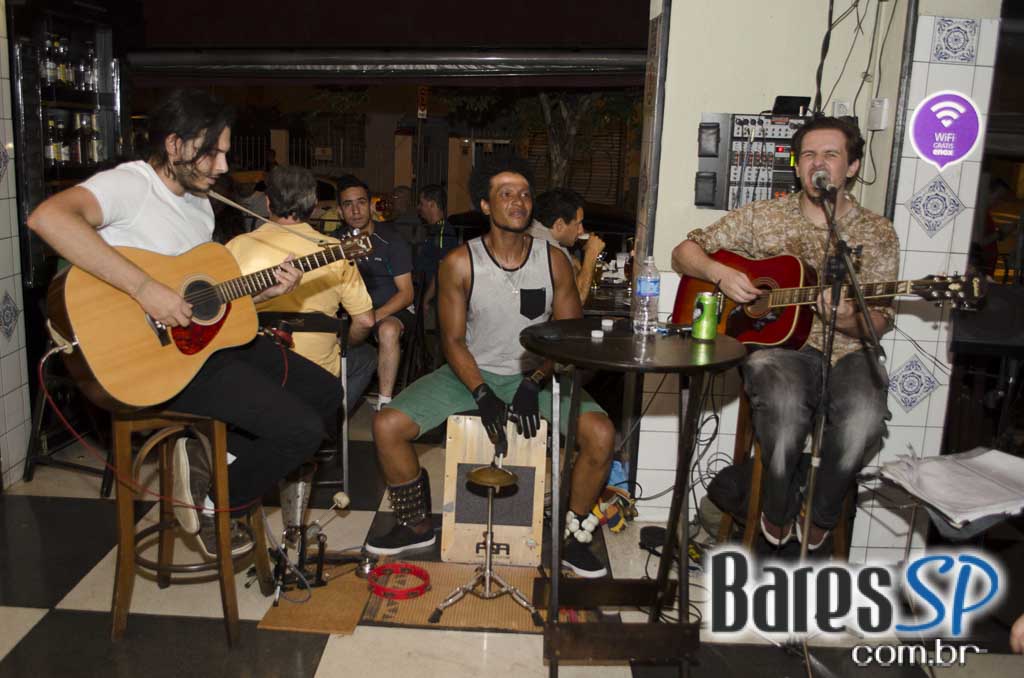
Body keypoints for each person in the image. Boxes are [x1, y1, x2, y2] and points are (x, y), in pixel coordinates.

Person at [27, 89, 342, 558]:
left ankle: (216, 462)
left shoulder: (199, 204)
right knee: (300, 430)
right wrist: (144, 289)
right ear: (174, 145)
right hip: (148, 362)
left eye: (225, 153)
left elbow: (202, 299)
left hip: (200, 348)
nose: (222, 166)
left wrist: (264, 293)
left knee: (326, 393)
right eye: (211, 152)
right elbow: (47, 218)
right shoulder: (131, 185)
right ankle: (218, 504)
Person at [366, 157, 616, 578]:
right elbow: (452, 341)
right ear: (485, 204)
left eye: (524, 194)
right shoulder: (460, 262)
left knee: (602, 434)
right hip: (470, 371)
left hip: (537, 375)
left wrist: (535, 380)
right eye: (505, 193)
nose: (518, 202)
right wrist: (481, 392)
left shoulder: (553, 260)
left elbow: (568, 335)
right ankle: (416, 525)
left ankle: (571, 534)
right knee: (386, 425)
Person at [671, 115, 898, 550]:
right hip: (780, 351)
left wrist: (842, 318)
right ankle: (776, 509)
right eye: (808, 154)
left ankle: (820, 512)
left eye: (830, 154)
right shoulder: (763, 216)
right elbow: (684, 253)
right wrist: (720, 274)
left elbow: (879, 321)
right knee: (784, 403)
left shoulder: (876, 232)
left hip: (849, 351)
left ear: (851, 167)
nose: (818, 163)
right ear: (797, 166)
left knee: (865, 418)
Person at [226, 165, 378, 412]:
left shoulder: (236, 247)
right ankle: (329, 420)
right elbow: (365, 321)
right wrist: (343, 344)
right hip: (318, 372)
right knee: (367, 357)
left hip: (254, 370)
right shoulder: (334, 251)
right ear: (314, 203)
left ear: (268, 203)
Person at [338, 174, 415, 410]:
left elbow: (406, 293)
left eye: (361, 202)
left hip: (389, 309)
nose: (356, 211)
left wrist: (373, 316)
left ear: (371, 206)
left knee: (388, 331)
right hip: (349, 312)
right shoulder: (335, 242)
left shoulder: (391, 240)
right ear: (340, 211)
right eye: (348, 204)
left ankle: (384, 403)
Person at [530, 188, 606, 305]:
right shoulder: (546, 248)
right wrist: (591, 254)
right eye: (578, 224)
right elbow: (577, 300)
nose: (581, 231)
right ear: (559, 225)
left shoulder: (537, 233)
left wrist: (571, 260)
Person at [413, 184, 460, 312]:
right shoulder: (433, 230)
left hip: (437, 299)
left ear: (432, 205)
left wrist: (427, 298)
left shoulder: (444, 231)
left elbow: (443, 268)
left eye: (421, 204)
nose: (419, 208)